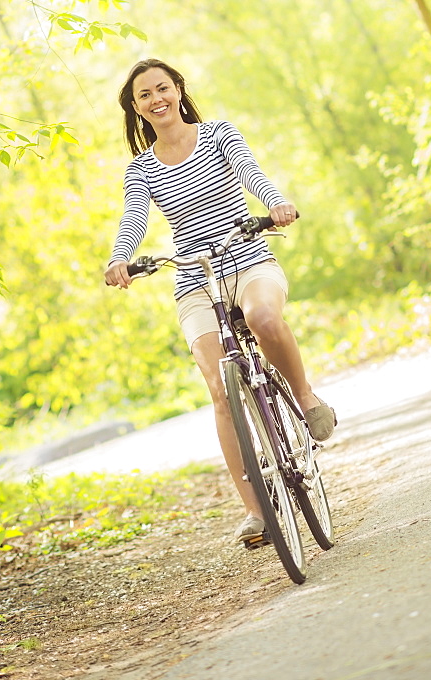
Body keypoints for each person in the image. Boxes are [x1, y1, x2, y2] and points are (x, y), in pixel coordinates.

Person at [104, 58, 336, 543]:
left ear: (178, 89)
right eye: (144, 95)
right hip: (194, 280)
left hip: (248, 257)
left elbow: (252, 174)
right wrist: (120, 258)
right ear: (136, 107)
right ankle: (256, 513)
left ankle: (305, 396)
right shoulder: (141, 168)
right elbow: (134, 219)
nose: (156, 99)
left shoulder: (217, 134)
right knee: (220, 389)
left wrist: (274, 204)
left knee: (263, 318)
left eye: (162, 88)